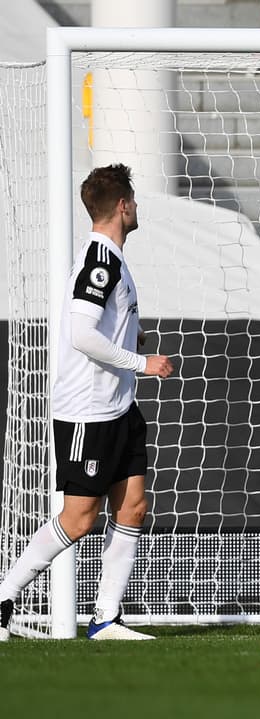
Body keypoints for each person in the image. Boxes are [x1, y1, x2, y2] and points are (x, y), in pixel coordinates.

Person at [0, 164, 174, 642]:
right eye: (133, 201)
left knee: (133, 507)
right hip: (88, 411)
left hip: (119, 406)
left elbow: (100, 324)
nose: (136, 208)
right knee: (80, 518)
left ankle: (105, 619)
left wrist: (129, 334)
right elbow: (80, 334)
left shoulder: (111, 258)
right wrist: (142, 362)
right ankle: (3, 596)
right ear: (122, 206)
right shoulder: (102, 259)